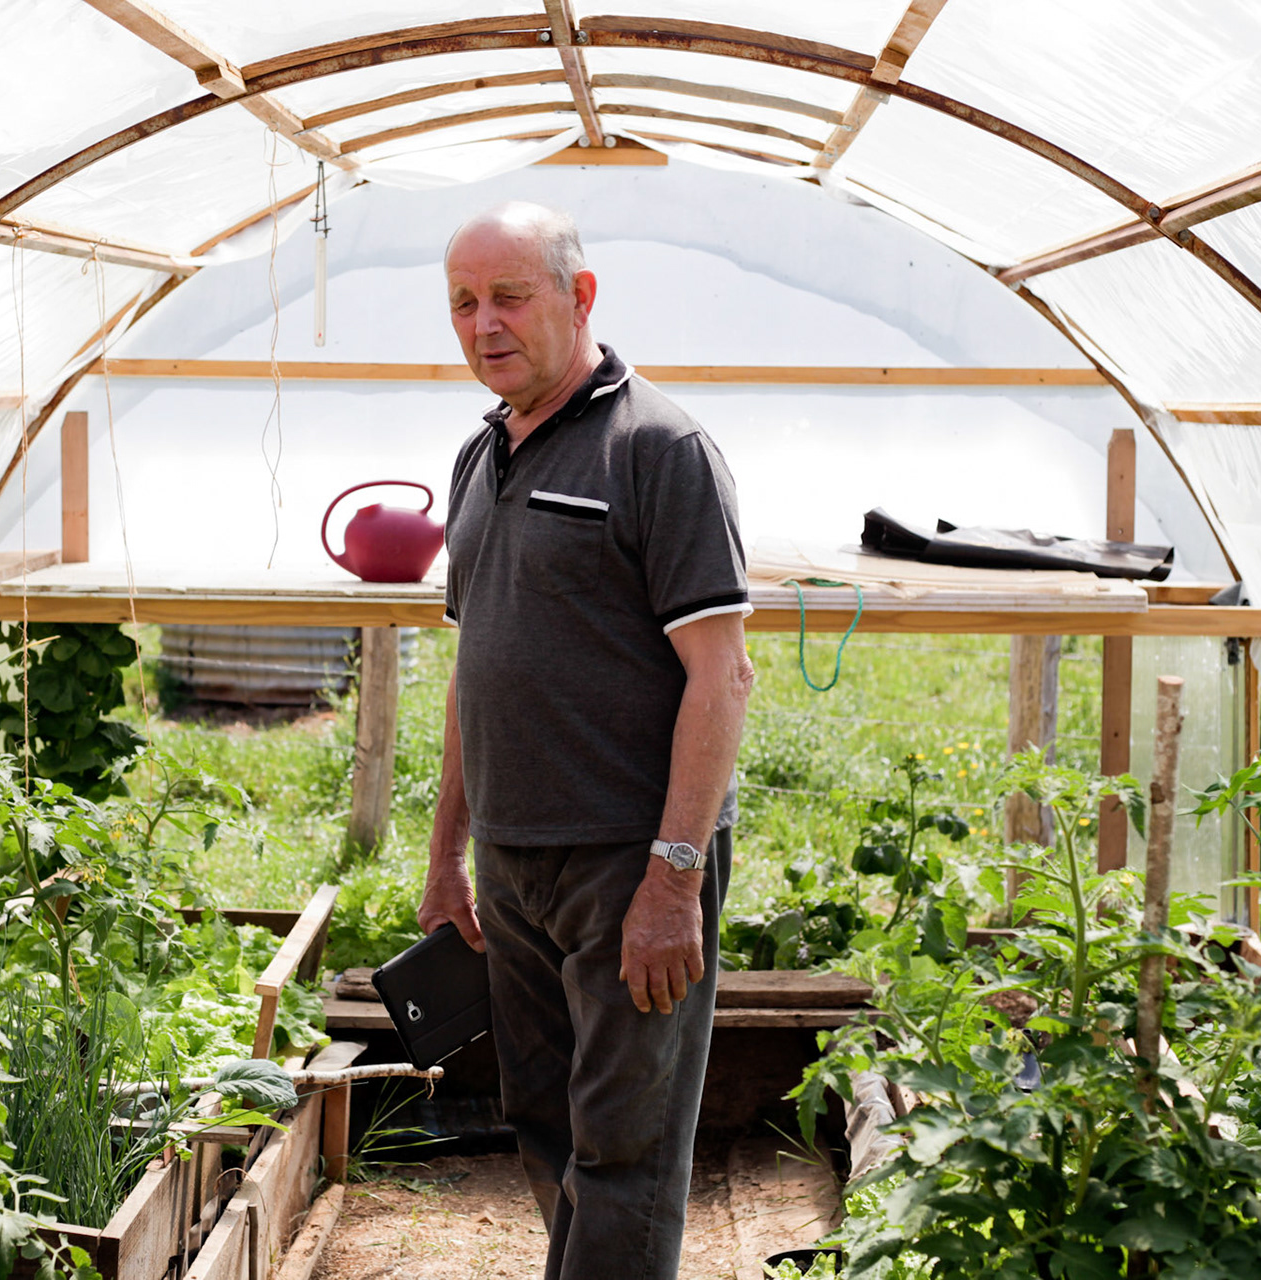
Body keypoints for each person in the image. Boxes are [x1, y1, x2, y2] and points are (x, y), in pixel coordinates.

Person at [418, 201, 755, 1280]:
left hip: (627, 860)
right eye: (464, 303)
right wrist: (445, 857)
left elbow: (723, 675)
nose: (485, 325)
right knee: (544, 1116)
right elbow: (480, 671)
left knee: (626, 1145)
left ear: (580, 295)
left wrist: (672, 878)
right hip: (513, 865)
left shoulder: (660, 447)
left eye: (510, 296)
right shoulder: (481, 455)